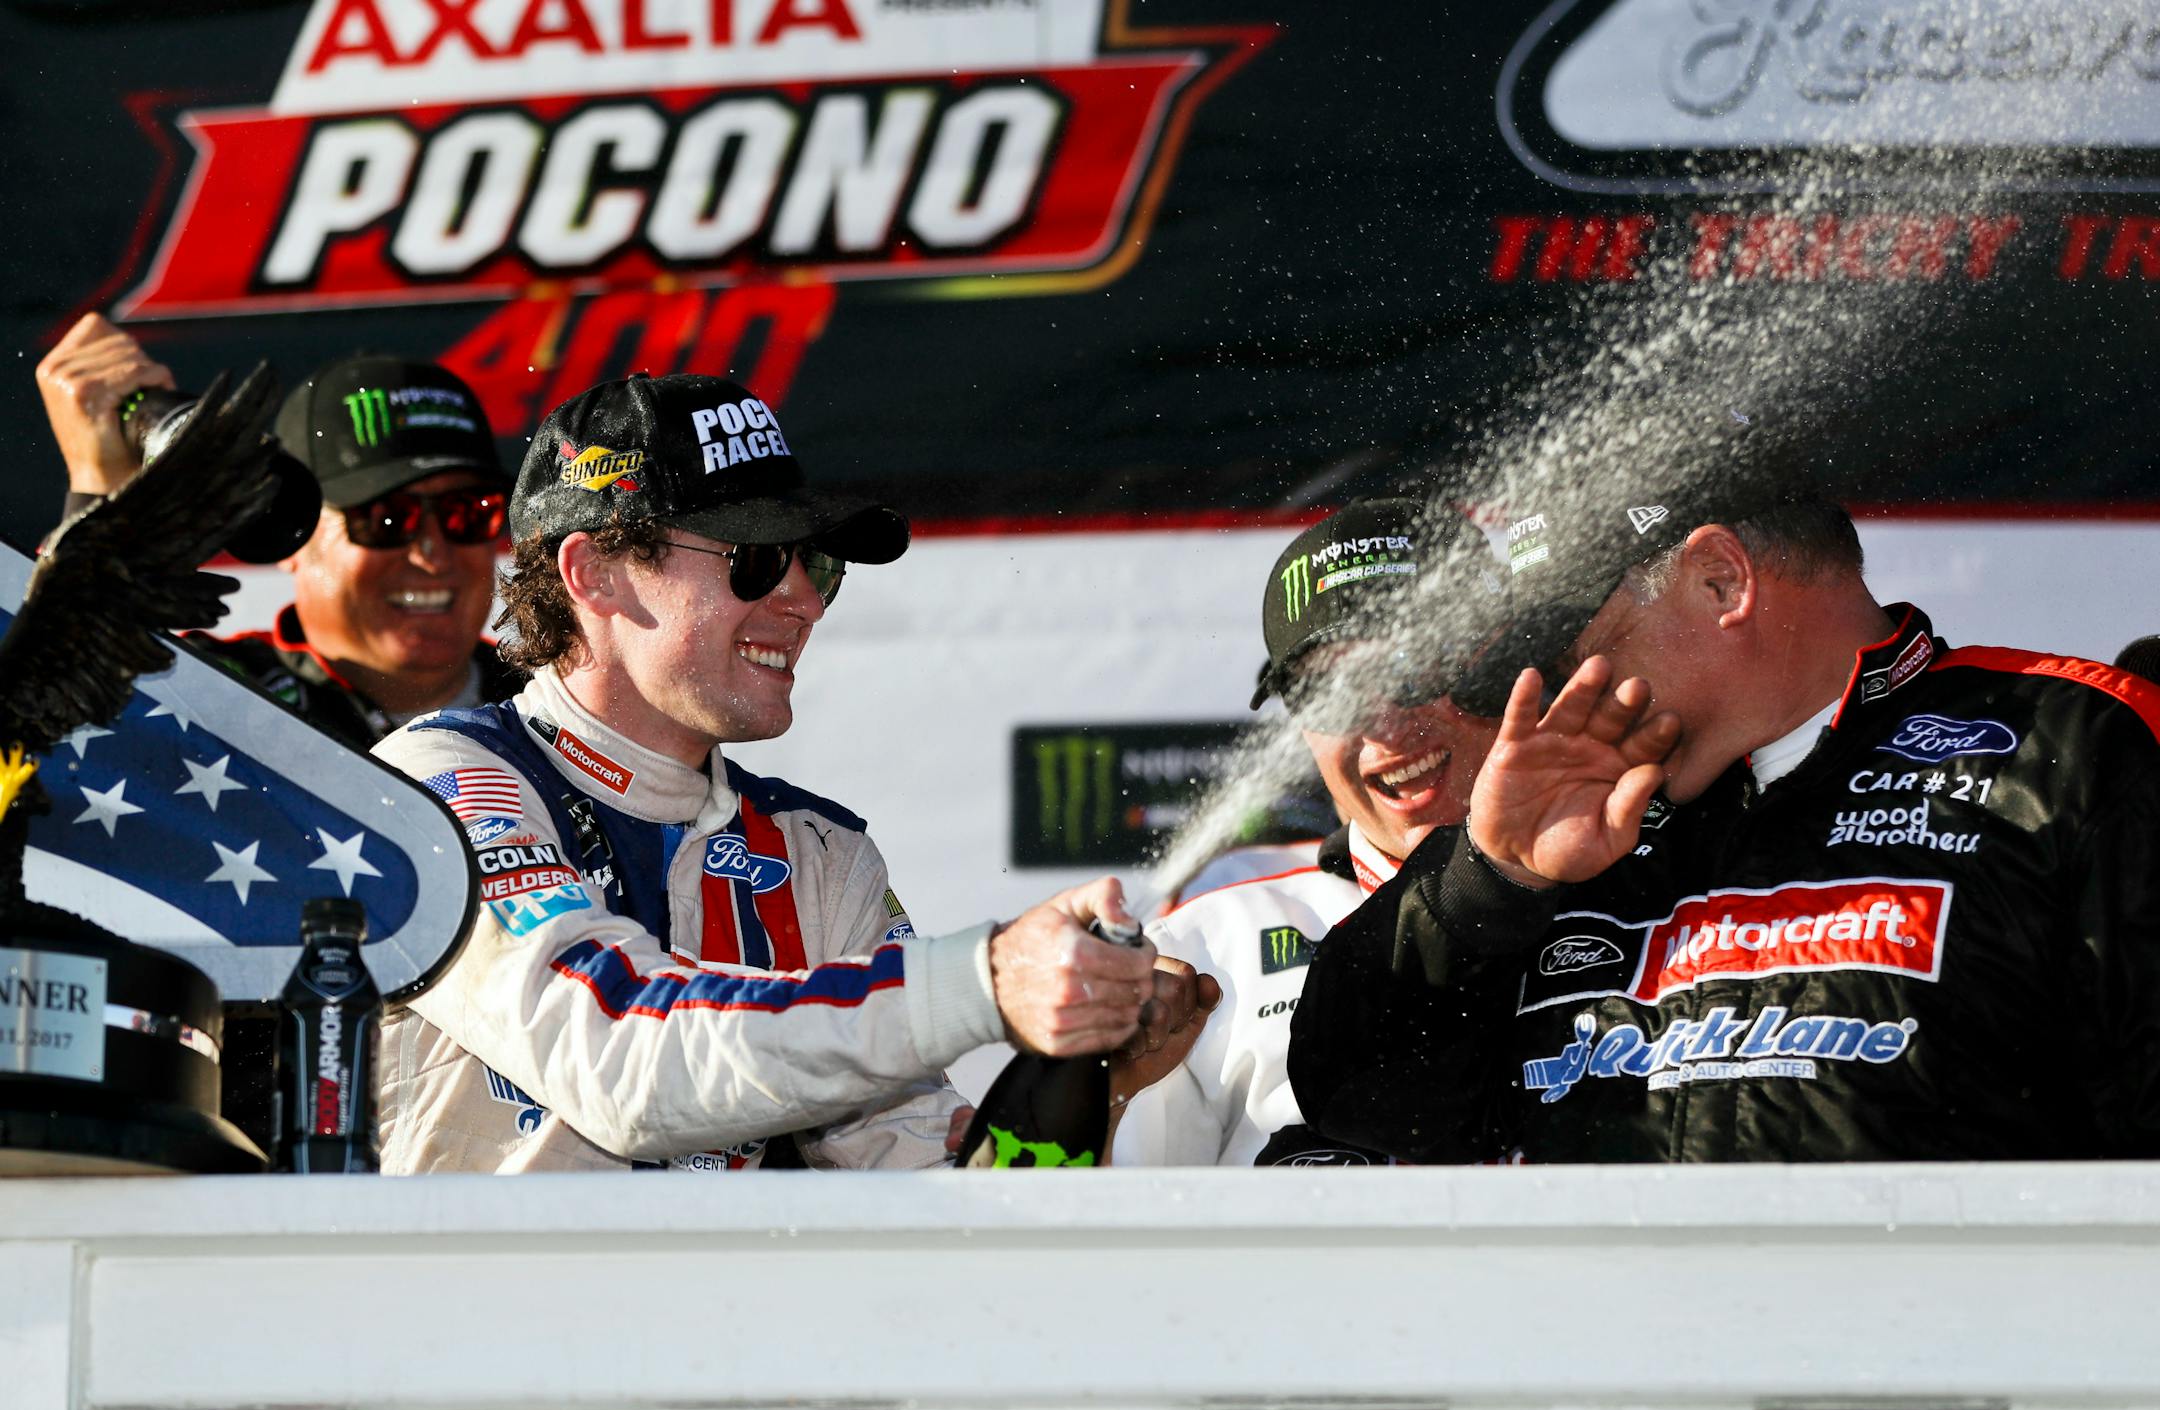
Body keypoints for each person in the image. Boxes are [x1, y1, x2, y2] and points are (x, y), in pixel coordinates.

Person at [372, 372, 1202, 1172]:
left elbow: (955, 1211)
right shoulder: (436, 783)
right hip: (470, 1316)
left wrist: (1083, 1075)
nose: (804, 601)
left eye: (817, 565)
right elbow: (622, 1058)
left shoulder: (821, 856)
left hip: (729, 1318)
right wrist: (980, 981)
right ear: (595, 573)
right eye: (756, 559)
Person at [1289, 470, 2160, 1163]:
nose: (1549, 682)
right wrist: (1488, 880)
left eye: (1568, 644)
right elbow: (1363, 1104)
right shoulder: (1558, 820)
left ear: (1721, 579)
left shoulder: (2078, 747)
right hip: (1604, 1376)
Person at [1112, 499, 1501, 1168]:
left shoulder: (1652, 893)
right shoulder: (1207, 947)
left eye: (1413, 664)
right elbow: (1091, 1236)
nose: (1382, 725)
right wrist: (1102, 1089)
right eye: (1331, 694)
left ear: (1501, 660)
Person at [35, 314, 522, 751]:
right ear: (292, 530)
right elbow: (53, 733)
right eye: (387, 519)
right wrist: (98, 484)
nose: (433, 554)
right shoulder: (216, 692)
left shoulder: (555, 700)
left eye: (468, 512)